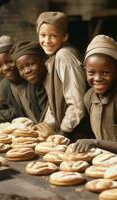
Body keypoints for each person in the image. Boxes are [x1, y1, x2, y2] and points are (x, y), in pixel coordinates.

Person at [72, 35, 117, 157]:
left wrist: (96, 143)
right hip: (103, 160)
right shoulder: (89, 97)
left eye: (105, 72)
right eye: (91, 72)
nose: (97, 78)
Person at [36, 11, 90, 141]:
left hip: (76, 133)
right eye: (42, 35)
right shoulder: (54, 57)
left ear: (65, 36)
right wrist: (47, 124)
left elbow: (77, 103)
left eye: (53, 35)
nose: (47, 41)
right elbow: (54, 100)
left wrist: (62, 132)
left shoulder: (64, 55)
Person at [0, 35, 26, 121]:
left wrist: (3, 114)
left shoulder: (31, 79)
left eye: (9, 61)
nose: (5, 68)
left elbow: (24, 110)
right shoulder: (5, 84)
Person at [11, 40, 48, 124]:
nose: (27, 71)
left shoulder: (51, 82)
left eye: (31, 64)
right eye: (21, 68)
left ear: (43, 61)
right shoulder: (31, 86)